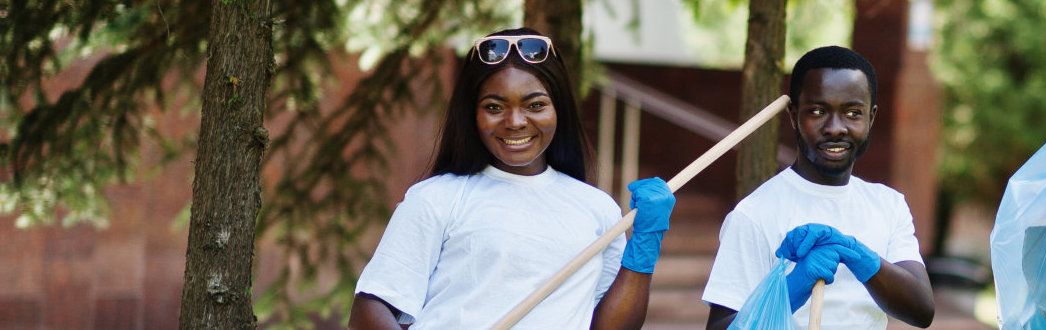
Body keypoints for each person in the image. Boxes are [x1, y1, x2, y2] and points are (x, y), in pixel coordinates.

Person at [348, 28, 670, 329]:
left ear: (558, 109)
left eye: (535, 105)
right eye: (494, 106)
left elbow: (608, 326)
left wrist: (645, 245)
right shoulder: (436, 198)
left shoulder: (597, 209)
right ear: (472, 114)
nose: (515, 122)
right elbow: (370, 307)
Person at [700, 45, 935, 330]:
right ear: (793, 116)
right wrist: (790, 289)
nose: (835, 127)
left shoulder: (889, 205)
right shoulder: (754, 213)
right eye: (818, 111)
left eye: (852, 113)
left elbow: (922, 310)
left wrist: (856, 254)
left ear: (871, 117)